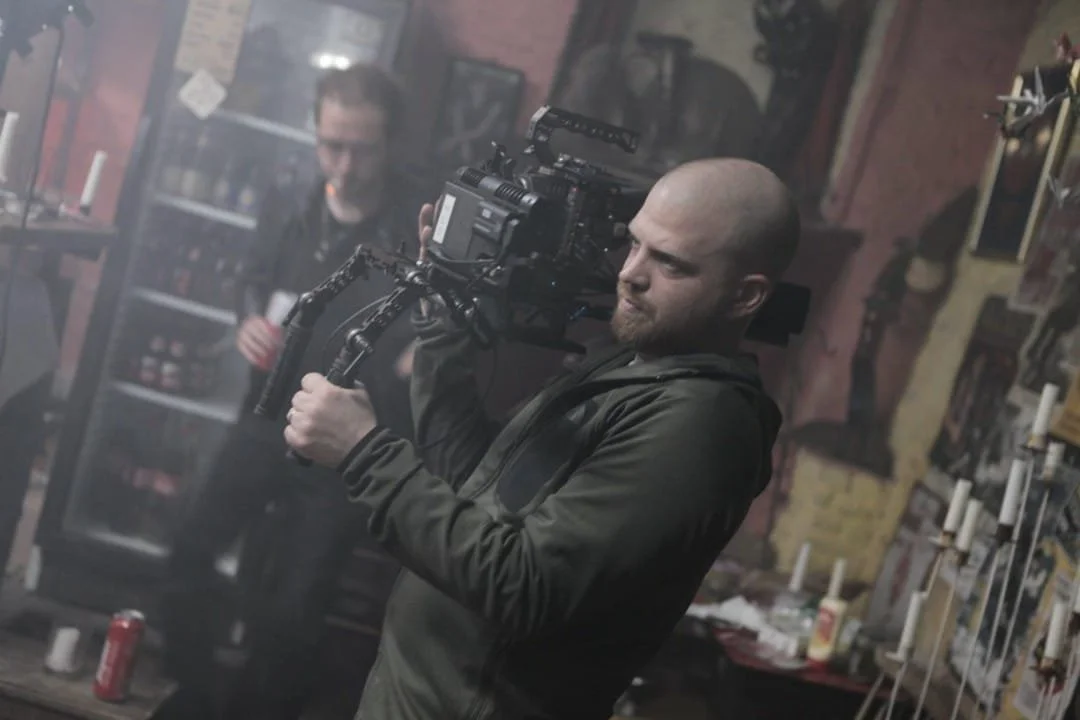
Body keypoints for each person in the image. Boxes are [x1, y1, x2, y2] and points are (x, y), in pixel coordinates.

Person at [284, 157, 800, 719]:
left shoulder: (701, 423)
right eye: (634, 245)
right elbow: (467, 479)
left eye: (670, 263)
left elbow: (523, 585)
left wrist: (365, 453)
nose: (631, 273)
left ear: (746, 296)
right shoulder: (633, 369)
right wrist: (445, 312)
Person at [160, 63, 418, 720]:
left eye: (363, 147)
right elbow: (251, 278)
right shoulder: (290, 200)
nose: (347, 162)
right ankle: (198, 691)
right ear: (315, 136)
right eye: (333, 144)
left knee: (295, 608)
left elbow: (443, 323)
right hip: (264, 416)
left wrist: (429, 349)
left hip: (339, 443)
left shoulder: (414, 231)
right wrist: (245, 318)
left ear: (391, 146)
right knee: (188, 550)